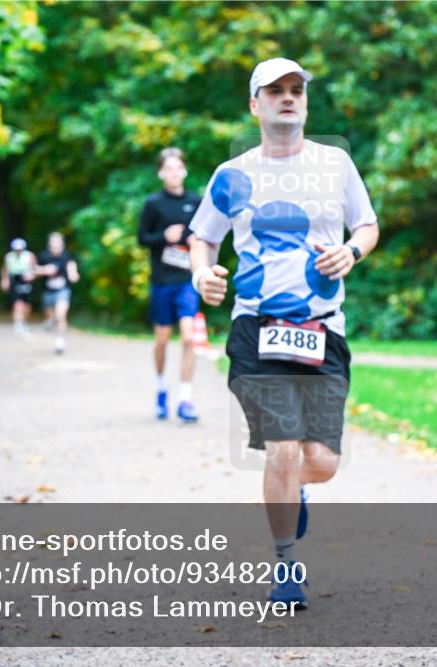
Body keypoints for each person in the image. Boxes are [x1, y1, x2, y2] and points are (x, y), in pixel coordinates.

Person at [189, 58, 379, 608]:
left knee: (320, 460)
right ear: (255, 105)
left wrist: (353, 249)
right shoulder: (233, 175)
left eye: (296, 90)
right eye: (275, 91)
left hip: (323, 328)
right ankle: (286, 564)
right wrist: (203, 271)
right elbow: (203, 238)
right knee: (281, 448)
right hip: (256, 327)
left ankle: (293, 487)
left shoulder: (335, 165)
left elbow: (366, 223)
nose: (288, 98)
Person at [138, 147, 203, 422]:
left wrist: (194, 241)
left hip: (187, 280)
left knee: (189, 337)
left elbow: (206, 237)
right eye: (169, 168)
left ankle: (186, 398)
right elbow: (142, 238)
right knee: (162, 340)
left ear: (184, 170)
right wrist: (164, 236)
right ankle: (162, 387)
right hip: (162, 281)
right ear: (161, 173)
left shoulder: (196, 201)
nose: (174, 173)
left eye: (178, 167)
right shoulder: (153, 204)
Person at [37, 232, 80, 354]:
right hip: (48, 293)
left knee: (61, 315)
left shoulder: (66, 256)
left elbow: (72, 267)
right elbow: (34, 270)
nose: (55, 245)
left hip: (62, 291)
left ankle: (60, 340)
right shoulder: (44, 256)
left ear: (62, 244)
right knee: (52, 317)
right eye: (53, 243)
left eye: (58, 243)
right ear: (49, 244)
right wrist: (45, 270)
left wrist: (73, 274)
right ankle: (50, 320)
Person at [1, 238, 37, 335]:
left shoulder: (30, 256)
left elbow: (35, 269)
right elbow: (5, 269)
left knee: (27, 307)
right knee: (17, 304)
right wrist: (5, 280)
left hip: (26, 281)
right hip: (14, 281)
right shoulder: (8, 257)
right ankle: (18, 325)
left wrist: (32, 276)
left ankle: (24, 322)